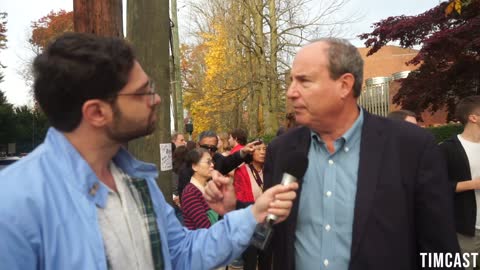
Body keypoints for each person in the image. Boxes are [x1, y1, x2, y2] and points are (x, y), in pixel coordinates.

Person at [0, 33, 299, 270]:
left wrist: (253, 215)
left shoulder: (137, 182)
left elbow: (182, 254)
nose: (156, 99)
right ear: (97, 112)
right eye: (143, 92)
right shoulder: (14, 204)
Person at [206, 38, 461, 270]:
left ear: (344, 85)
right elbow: (272, 230)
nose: (291, 92)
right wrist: (236, 209)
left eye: (304, 81)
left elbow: (442, 251)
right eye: (292, 81)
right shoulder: (283, 150)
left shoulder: (411, 147)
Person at [440, 96, 480, 270]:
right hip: (466, 230)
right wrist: (473, 184)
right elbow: (436, 188)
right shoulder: (447, 149)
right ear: (473, 117)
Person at [181, 148, 218, 230]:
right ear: (194, 166)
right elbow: (205, 227)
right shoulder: (190, 193)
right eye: (208, 162)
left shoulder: (209, 187)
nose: (212, 165)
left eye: (212, 161)